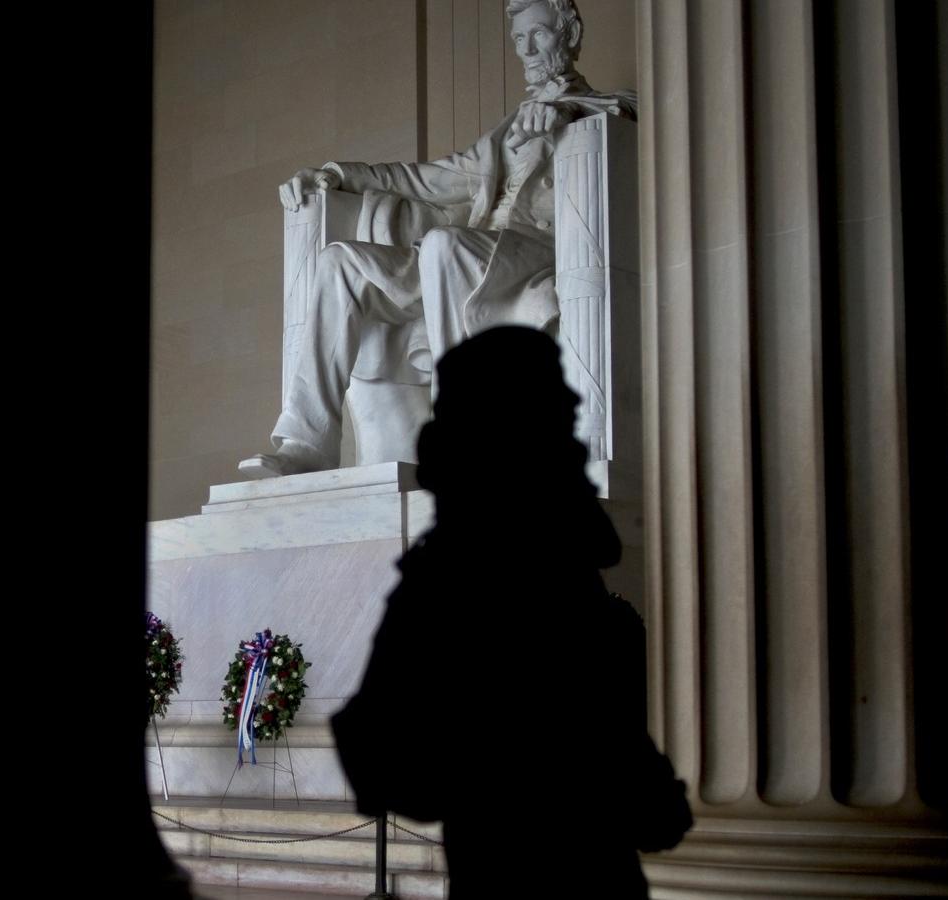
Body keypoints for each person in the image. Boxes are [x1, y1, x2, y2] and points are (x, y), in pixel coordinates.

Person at [331, 327, 691, 898]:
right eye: (553, 391)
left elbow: (598, 715)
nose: (574, 403)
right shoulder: (457, 573)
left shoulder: (556, 558)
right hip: (511, 867)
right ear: (513, 415)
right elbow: (380, 748)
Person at [239, 0, 636, 478]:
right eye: (517, 39)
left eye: (539, 34)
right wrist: (336, 174)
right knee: (339, 261)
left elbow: (629, 112)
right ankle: (307, 442)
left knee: (447, 245)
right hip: (459, 258)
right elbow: (424, 179)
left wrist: (567, 111)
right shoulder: (503, 135)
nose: (527, 49)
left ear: (570, 34)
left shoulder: (603, 107)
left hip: (534, 256)